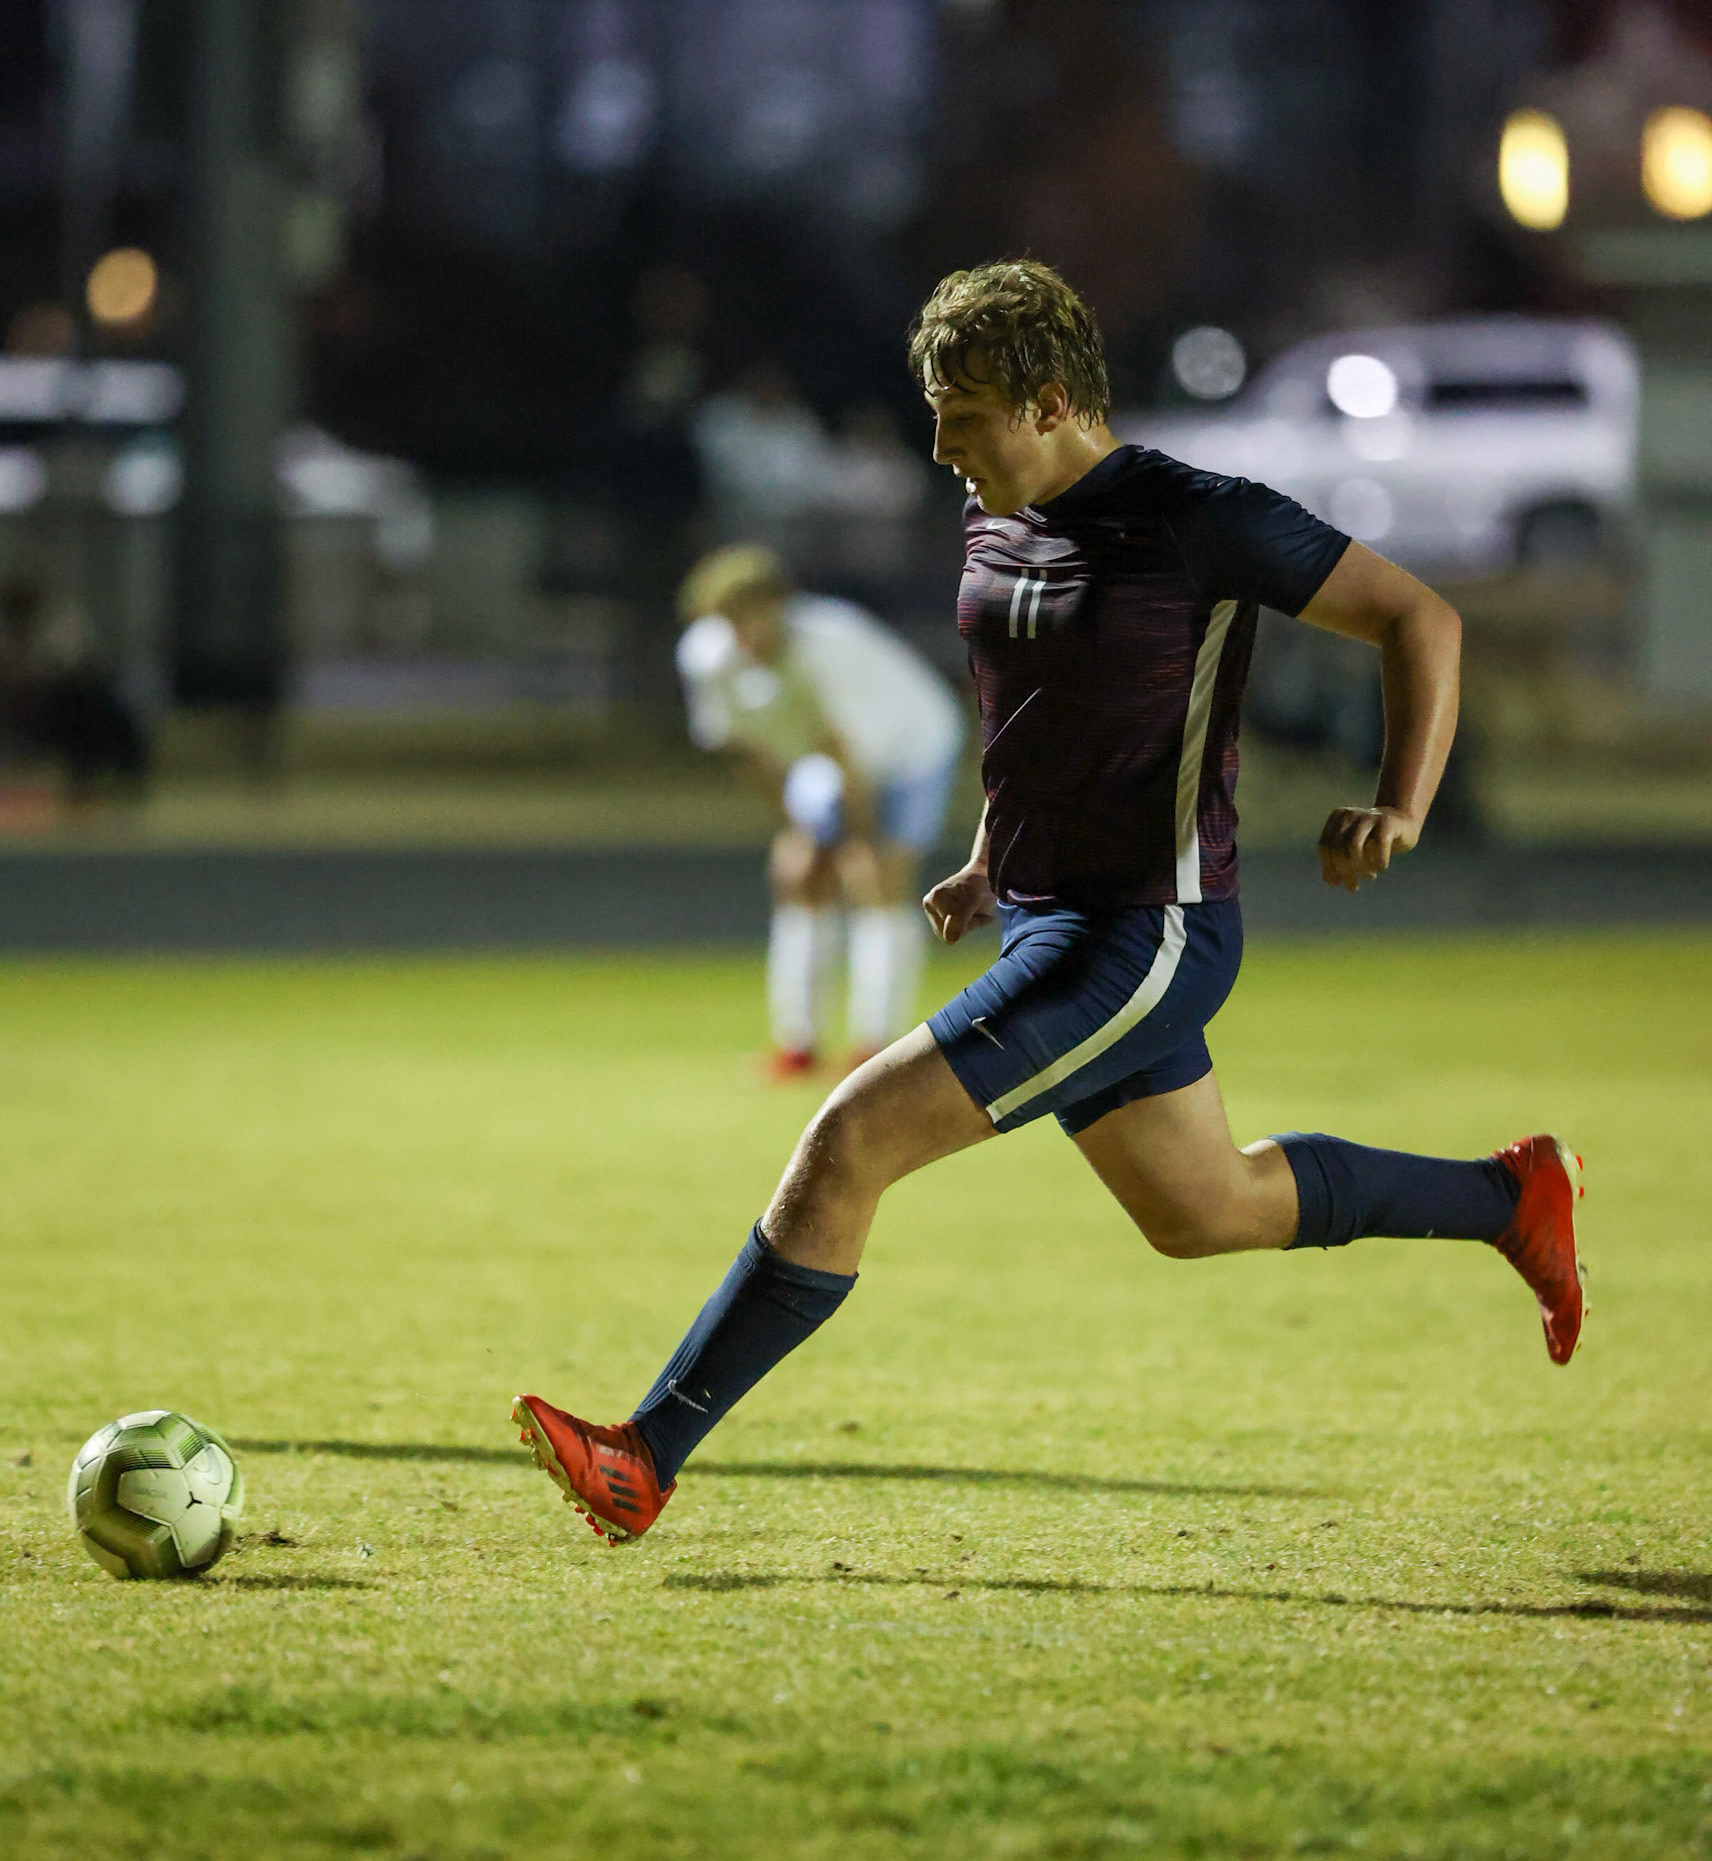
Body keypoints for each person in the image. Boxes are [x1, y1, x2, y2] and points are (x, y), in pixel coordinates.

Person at [513, 260, 1585, 1546]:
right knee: (1207, 1211)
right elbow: (1035, 716)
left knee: (849, 1139)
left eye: (961, 413)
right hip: (1046, 914)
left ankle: (646, 1451)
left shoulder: (1195, 517)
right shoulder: (992, 521)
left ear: (1049, 399)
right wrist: (990, 849)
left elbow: (1420, 617)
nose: (940, 444)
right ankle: (1507, 1196)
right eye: (934, 413)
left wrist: (1399, 803)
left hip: (1148, 929)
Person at [674, 545, 965, 1076]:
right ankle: (797, 1045)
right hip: (825, 757)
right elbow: (746, 752)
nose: (739, 636)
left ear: (778, 608)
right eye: (726, 622)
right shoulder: (705, 657)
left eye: (749, 618)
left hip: (910, 748)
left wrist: (861, 837)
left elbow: (849, 755)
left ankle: (876, 1052)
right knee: (799, 871)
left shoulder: (830, 646)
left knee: (877, 879)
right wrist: (793, 822)